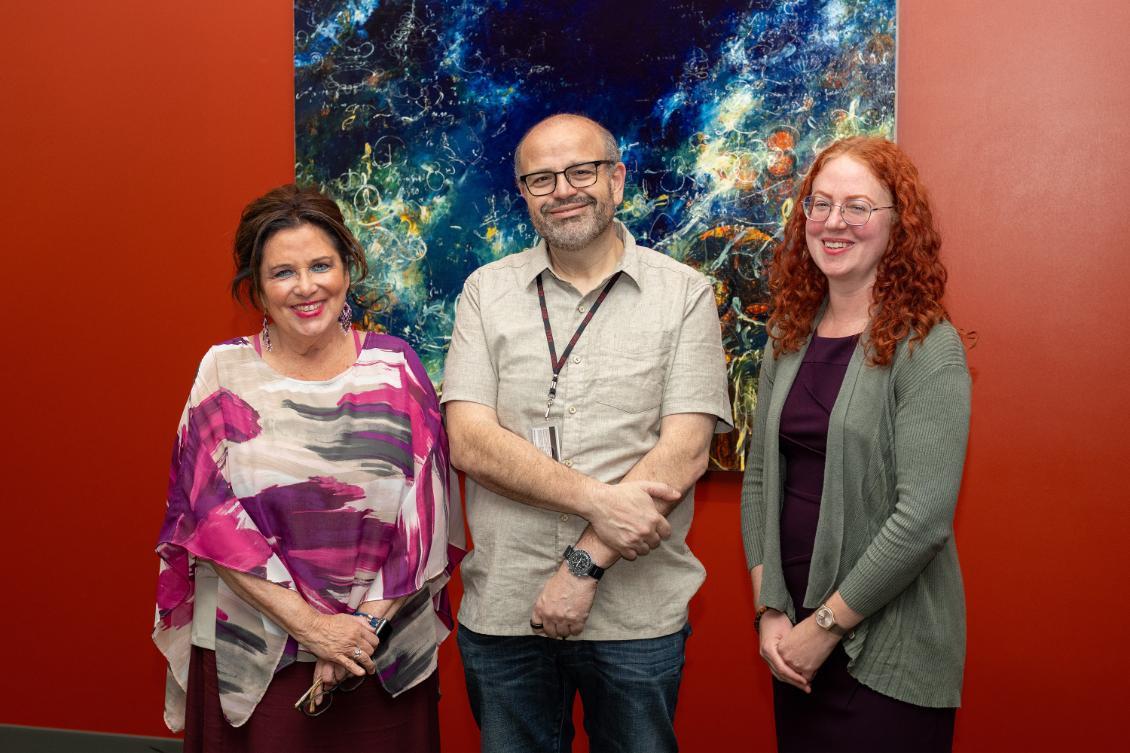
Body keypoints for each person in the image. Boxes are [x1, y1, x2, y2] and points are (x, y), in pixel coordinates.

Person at [441, 113, 732, 753]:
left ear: (617, 179)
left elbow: (682, 454)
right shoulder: (484, 293)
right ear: (523, 193)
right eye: (541, 178)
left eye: (581, 171)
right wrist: (601, 500)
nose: (562, 190)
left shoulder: (684, 295)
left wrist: (581, 568)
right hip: (504, 612)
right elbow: (470, 442)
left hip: (636, 615)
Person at [152, 184, 464, 752]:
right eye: (283, 272)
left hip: (379, 650)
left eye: (321, 265)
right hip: (255, 652)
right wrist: (314, 628)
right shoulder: (222, 372)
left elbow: (429, 515)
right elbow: (208, 521)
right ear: (257, 287)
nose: (306, 287)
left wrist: (358, 633)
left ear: (347, 270)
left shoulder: (397, 366)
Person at [740, 136, 970, 752]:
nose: (834, 222)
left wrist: (824, 627)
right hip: (791, 646)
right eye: (820, 204)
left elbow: (923, 519)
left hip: (885, 654)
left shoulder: (927, 346)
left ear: (899, 225)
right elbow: (761, 480)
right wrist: (770, 612)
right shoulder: (785, 336)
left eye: (858, 207)